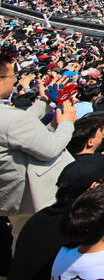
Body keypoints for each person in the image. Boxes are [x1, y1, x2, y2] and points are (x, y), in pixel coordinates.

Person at [0, 52, 75, 236]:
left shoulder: (10, 118)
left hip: (11, 196)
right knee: (26, 245)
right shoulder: (12, 120)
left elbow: (20, 123)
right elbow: (50, 149)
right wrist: (66, 123)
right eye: (12, 76)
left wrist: (44, 102)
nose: (14, 81)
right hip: (26, 202)